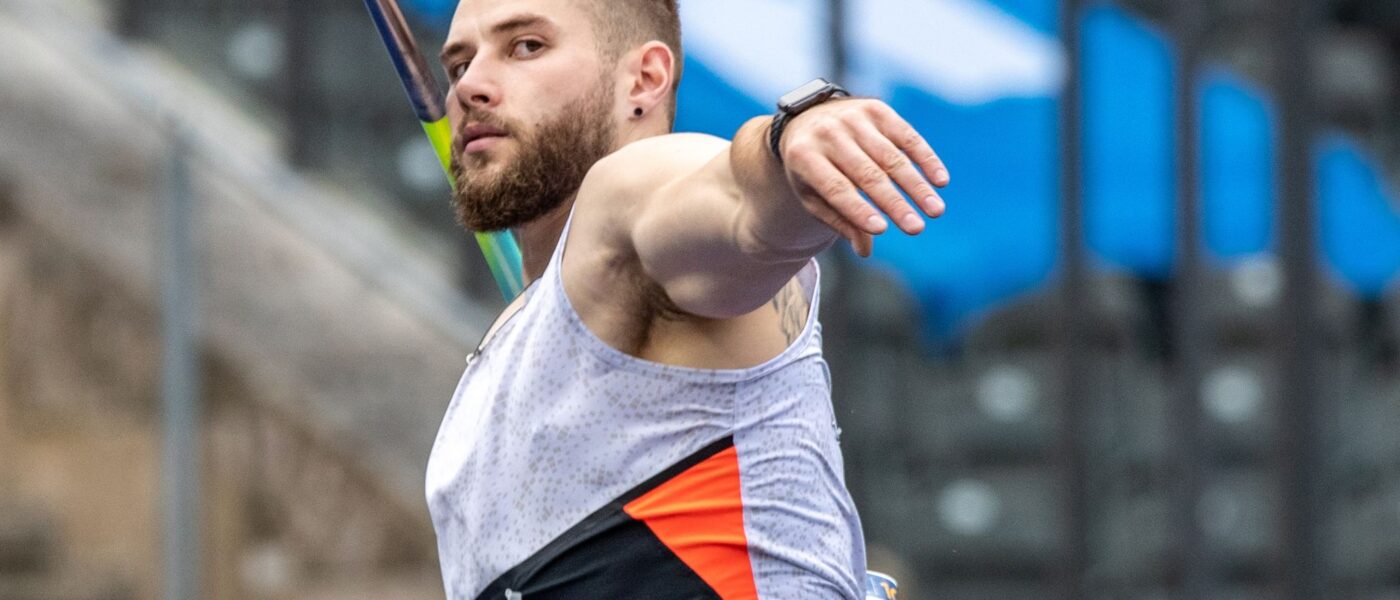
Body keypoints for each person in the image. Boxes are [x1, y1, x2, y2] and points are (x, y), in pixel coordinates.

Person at [423, 0, 948, 598]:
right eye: (459, 65)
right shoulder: (525, 334)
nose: (472, 88)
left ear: (644, 79)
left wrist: (788, 138)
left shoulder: (628, 196)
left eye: (526, 47)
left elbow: (739, 205)